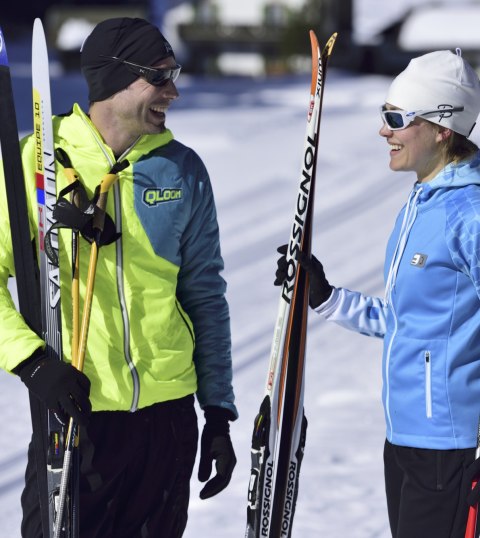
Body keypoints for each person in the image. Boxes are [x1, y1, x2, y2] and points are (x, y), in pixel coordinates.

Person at [0, 17, 237, 537]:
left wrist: (217, 411)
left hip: (169, 422)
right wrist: (32, 363)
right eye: (160, 76)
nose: (173, 90)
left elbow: (205, 295)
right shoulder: (30, 164)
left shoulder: (182, 170)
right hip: (79, 414)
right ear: (113, 79)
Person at [276, 49, 480, 538]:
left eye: (396, 118)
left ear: (441, 128)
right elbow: (407, 319)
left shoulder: (468, 215)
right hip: (406, 437)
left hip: (452, 446)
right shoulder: (422, 202)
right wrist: (325, 297)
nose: (383, 130)